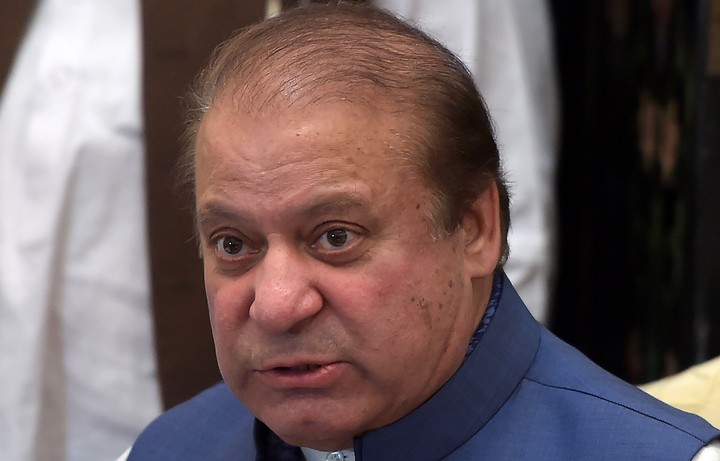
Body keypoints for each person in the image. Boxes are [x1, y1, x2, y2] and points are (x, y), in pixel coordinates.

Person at [123, 4, 720, 460]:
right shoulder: (163, 451)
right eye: (233, 244)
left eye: (336, 237)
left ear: (475, 228)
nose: (276, 306)